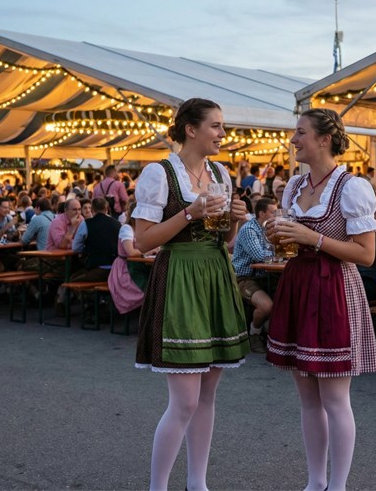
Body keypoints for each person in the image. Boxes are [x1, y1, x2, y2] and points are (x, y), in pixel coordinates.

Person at [132, 98, 249, 491]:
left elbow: (225, 240)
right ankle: (158, 486)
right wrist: (188, 214)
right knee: (184, 400)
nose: (222, 133)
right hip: (180, 275)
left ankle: (197, 482)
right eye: (216, 125)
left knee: (207, 396)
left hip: (215, 274)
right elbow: (142, 242)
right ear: (191, 129)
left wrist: (232, 223)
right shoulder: (159, 173)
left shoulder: (220, 172)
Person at [266, 108, 376, 491]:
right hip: (299, 285)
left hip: (334, 291)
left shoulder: (352, 187)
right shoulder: (294, 187)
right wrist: (278, 239)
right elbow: (290, 244)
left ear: (323, 139)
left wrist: (311, 237)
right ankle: (315, 481)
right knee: (308, 398)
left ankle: (338, 485)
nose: (293, 140)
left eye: (300, 133)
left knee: (334, 397)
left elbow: (366, 255)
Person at [231, 197, 277, 354]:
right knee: (266, 306)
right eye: (273, 212)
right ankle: (254, 334)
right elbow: (258, 255)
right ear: (262, 214)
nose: (276, 216)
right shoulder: (249, 230)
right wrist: (279, 252)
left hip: (265, 277)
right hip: (244, 278)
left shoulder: (268, 229)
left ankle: (273, 335)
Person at [108, 200, 145, 316]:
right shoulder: (126, 229)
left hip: (138, 267)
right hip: (125, 270)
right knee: (151, 285)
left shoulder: (140, 230)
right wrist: (147, 251)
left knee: (158, 280)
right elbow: (130, 252)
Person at [71, 197, 121, 282]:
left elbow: (75, 248)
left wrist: (87, 248)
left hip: (96, 268)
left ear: (92, 209)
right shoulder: (117, 223)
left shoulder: (86, 224)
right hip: (116, 270)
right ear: (106, 209)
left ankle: (84, 295)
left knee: (72, 279)